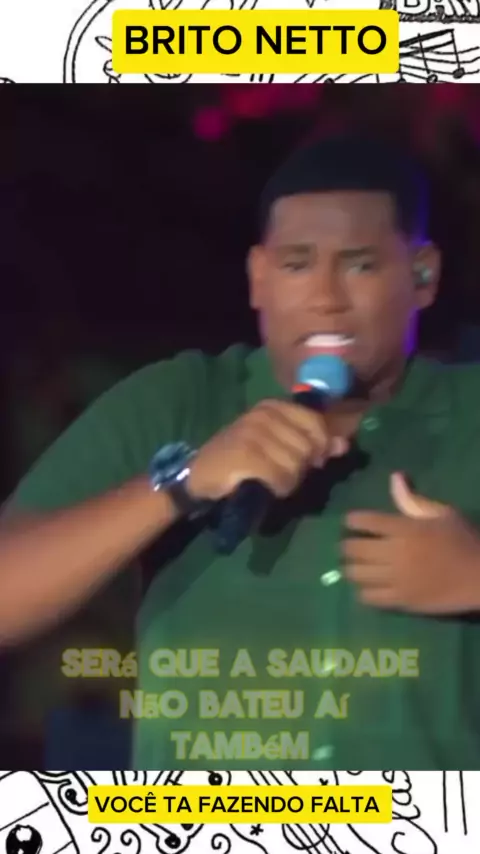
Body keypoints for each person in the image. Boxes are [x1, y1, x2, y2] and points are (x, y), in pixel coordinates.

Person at [2, 134, 480, 772]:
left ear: (423, 276)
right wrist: (181, 483)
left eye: (361, 265)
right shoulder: (180, 399)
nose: (326, 297)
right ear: (258, 278)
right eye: (297, 265)